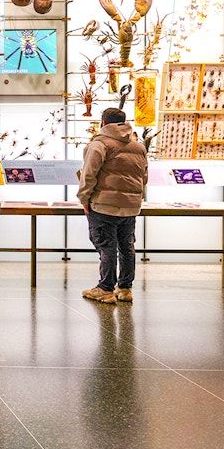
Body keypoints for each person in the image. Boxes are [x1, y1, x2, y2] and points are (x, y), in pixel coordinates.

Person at [77, 107, 149, 304]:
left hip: (103, 205)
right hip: (130, 206)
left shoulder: (99, 145)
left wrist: (84, 199)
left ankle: (105, 289)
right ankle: (125, 288)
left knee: (106, 245)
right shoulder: (139, 147)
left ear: (103, 123)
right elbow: (144, 177)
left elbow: (88, 175)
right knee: (127, 246)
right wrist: (135, 198)